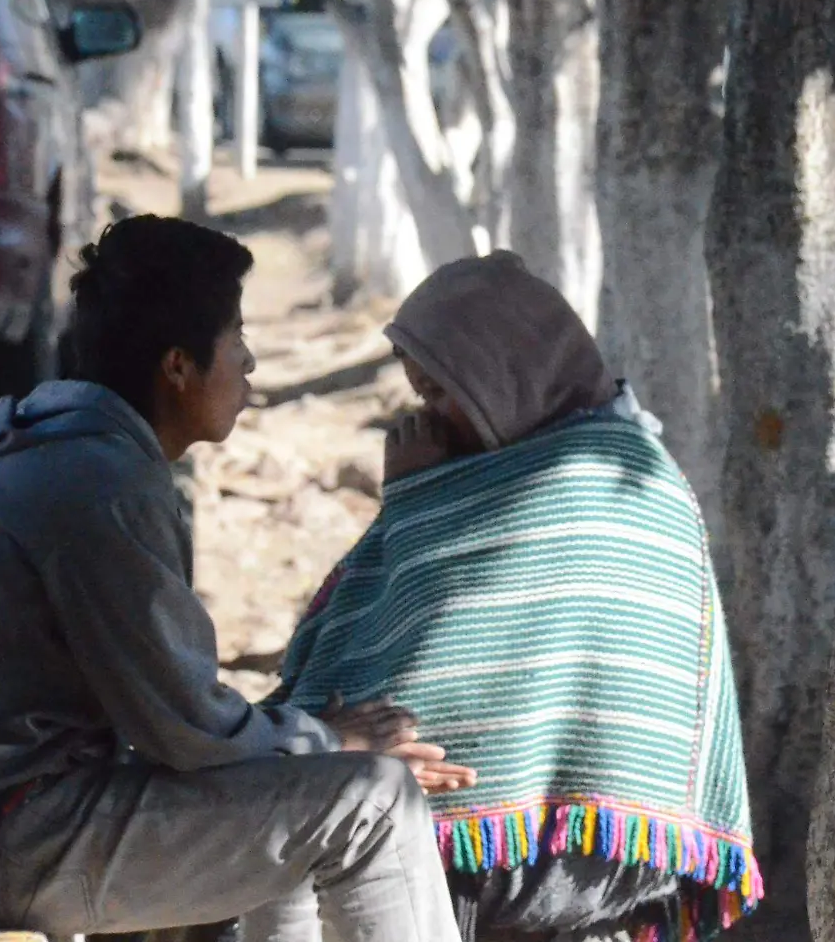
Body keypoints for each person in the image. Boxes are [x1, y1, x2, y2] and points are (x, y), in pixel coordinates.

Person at [0, 215, 474, 939]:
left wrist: (309, 745)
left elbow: (186, 723)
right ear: (178, 366)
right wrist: (334, 739)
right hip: (0, 839)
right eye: (237, 339)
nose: (250, 363)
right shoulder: (99, 485)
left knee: (294, 795)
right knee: (376, 802)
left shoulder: (69, 447)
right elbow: (188, 731)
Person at [258, 252, 764, 942]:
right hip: (576, 847)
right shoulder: (626, 461)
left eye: (439, 394)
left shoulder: (587, 481)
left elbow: (423, 661)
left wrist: (413, 499)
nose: (427, 419)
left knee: (311, 819)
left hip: (539, 847)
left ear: (504, 377)